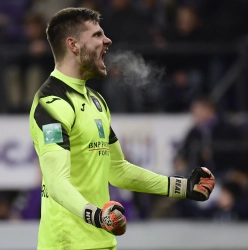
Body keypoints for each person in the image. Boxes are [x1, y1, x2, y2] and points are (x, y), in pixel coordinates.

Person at [29, 7, 215, 250]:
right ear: (73, 45)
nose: (107, 40)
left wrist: (181, 187)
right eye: (97, 35)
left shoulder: (96, 101)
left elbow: (117, 170)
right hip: (67, 244)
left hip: (102, 241)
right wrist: (97, 216)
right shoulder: (51, 103)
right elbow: (56, 183)